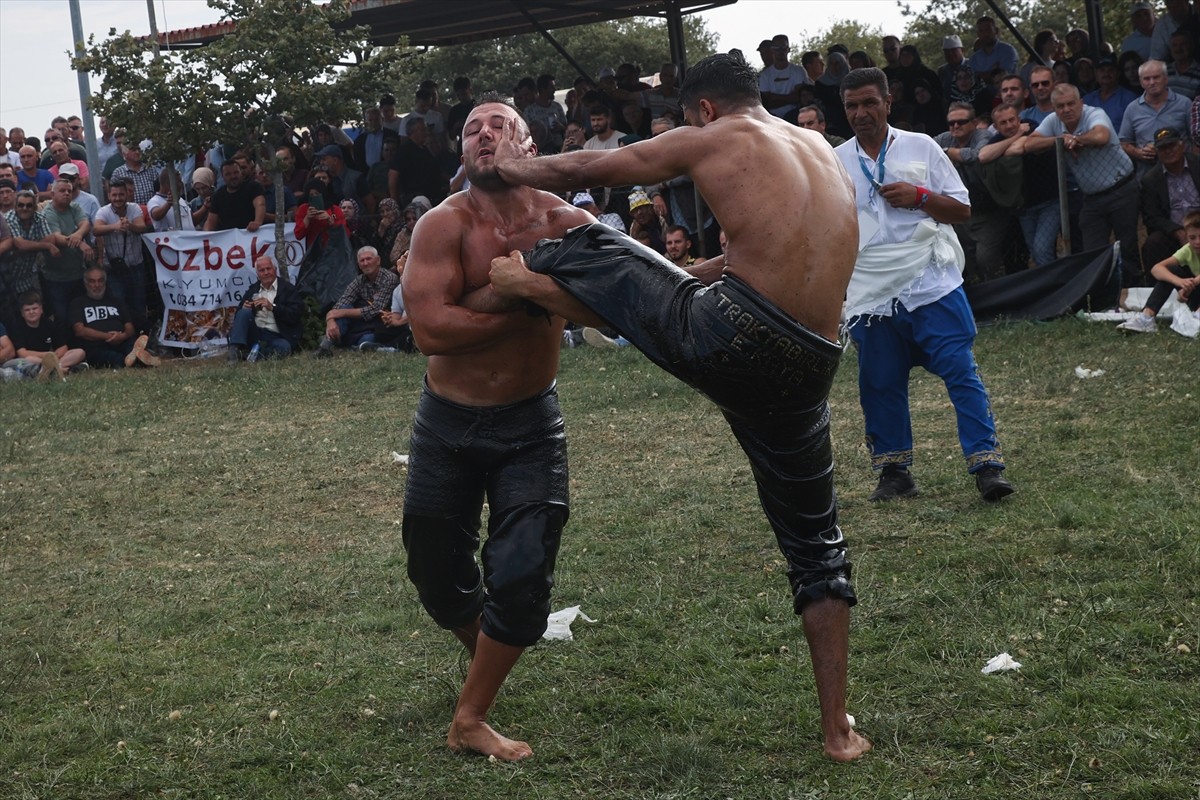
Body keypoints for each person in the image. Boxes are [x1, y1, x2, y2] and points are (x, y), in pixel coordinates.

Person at [487, 53, 871, 762]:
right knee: (818, 548)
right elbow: (770, 258)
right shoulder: (819, 148)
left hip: (733, 333)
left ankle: (523, 282)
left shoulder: (718, 136)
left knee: (595, 238)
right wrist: (686, 275)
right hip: (812, 365)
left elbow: (590, 171)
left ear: (702, 110)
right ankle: (837, 730)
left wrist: (511, 168)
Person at [396, 95, 595, 762]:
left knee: (521, 569)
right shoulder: (441, 226)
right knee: (434, 568)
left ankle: (471, 716)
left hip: (530, 423)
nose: (484, 136)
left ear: (528, 147)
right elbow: (431, 330)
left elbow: (605, 305)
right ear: (461, 151)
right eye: (472, 130)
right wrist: (523, 298)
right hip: (446, 422)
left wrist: (524, 286)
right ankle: (492, 651)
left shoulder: (567, 222)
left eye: (499, 126)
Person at [833, 67, 1014, 504]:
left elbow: (963, 209)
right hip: (872, 294)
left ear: (888, 103)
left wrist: (920, 197)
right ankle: (895, 474)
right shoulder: (835, 161)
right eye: (852, 105)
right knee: (879, 383)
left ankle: (987, 467)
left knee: (960, 372)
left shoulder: (922, 145)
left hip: (930, 284)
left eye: (869, 102)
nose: (861, 113)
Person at [1117, 209, 1200, 333]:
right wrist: (1180, 282)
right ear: (1186, 237)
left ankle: (1196, 319)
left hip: (1193, 288)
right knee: (1170, 271)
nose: (1197, 242)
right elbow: (1156, 269)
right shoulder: (1188, 249)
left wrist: (1190, 285)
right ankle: (1146, 318)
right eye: (1192, 237)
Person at [313, 245, 398, 355]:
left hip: (384, 325)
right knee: (345, 307)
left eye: (369, 259)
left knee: (366, 340)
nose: (365, 263)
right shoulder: (359, 281)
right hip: (364, 324)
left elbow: (376, 309)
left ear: (378, 260)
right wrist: (330, 320)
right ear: (359, 265)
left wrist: (341, 313)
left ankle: (342, 343)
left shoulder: (390, 278)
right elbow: (341, 303)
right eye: (362, 261)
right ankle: (326, 346)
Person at [69, 265, 159, 368]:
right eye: (92, 281)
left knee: (131, 347)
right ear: (85, 283)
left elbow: (130, 328)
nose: (97, 285)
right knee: (114, 358)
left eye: (100, 281)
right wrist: (108, 336)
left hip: (122, 342)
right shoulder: (78, 303)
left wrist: (122, 336)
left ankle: (138, 358)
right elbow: (79, 331)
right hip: (96, 346)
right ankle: (137, 361)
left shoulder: (116, 301)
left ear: (105, 282)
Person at [227, 256, 303, 360]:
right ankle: (234, 351)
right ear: (257, 274)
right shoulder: (253, 289)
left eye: (268, 268)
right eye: (262, 270)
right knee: (243, 313)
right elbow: (238, 317)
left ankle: (248, 356)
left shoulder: (287, 289)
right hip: (255, 333)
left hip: (276, 335)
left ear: (275, 269)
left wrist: (272, 307)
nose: (266, 273)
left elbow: (295, 315)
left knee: (284, 348)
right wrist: (245, 308)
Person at [7, 290, 87, 378]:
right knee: (27, 359)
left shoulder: (48, 323)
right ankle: (65, 370)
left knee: (80, 352)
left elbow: (63, 347)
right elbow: (22, 353)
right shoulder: (17, 326)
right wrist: (48, 356)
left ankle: (55, 369)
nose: (31, 312)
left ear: (41, 309)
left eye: (34, 308)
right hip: (34, 361)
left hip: (53, 358)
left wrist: (53, 357)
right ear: (22, 313)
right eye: (27, 310)